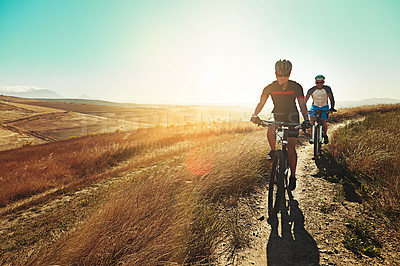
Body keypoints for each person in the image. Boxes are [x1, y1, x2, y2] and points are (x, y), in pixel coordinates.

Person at [251, 59, 310, 191]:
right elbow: (261, 103)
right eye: (280, 75)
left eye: (286, 75)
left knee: (291, 147)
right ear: (275, 73)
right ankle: (273, 150)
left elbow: (302, 105)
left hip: (292, 115)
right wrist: (255, 115)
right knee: (271, 126)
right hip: (277, 113)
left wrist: (306, 119)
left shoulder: (296, 86)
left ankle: (293, 176)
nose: (283, 78)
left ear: (290, 74)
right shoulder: (269, 87)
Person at [305, 75, 336, 144]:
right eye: (317, 82)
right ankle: (312, 137)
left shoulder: (327, 89)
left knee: (323, 121)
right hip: (314, 106)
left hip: (324, 106)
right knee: (312, 121)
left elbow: (331, 99)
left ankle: (325, 135)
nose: (319, 84)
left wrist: (332, 108)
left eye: (321, 82)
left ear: (323, 82)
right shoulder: (311, 89)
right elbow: (305, 100)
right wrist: (304, 109)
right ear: (315, 82)